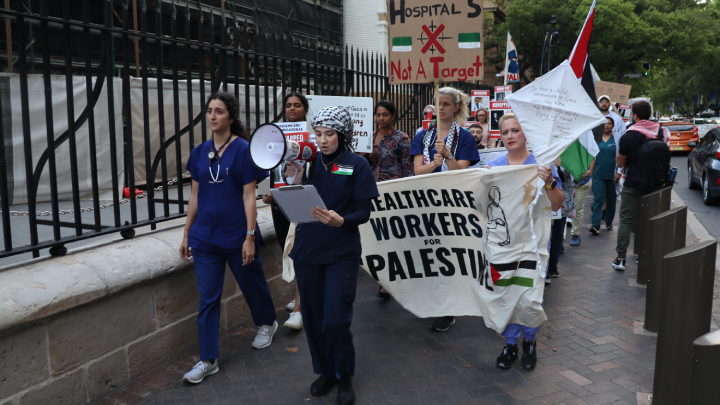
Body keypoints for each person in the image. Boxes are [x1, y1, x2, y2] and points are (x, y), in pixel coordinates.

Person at [179, 92, 278, 384]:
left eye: (218, 111)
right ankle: (208, 360)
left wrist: (249, 236)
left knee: (252, 284)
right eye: (209, 111)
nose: (212, 116)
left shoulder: (245, 150)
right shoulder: (199, 152)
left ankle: (267, 323)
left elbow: (250, 195)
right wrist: (186, 233)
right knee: (208, 298)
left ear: (231, 118)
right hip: (205, 238)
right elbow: (195, 196)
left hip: (237, 234)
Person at [286, 106, 379, 405]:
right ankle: (325, 372)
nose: (323, 140)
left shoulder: (356, 165)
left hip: (341, 253)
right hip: (308, 251)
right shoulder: (311, 163)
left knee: (335, 319)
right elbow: (302, 203)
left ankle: (345, 376)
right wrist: (296, 181)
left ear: (343, 134)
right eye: (318, 134)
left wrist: (343, 220)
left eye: (329, 134)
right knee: (313, 319)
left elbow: (364, 211)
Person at [485, 113, 563, 370]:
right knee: (505, 295)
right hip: (502, 247)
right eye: (505, 132)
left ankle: (529, 342)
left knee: (529, 299)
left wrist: (550, 181)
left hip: (533, 245)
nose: (509, 136)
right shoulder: (493, 167)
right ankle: (509, 345)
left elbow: (557, 205)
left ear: (525, 134)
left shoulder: (542, 166)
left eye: (515, 131)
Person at [410, 87, 480, 332]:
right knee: (429, 250)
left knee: (449, 252)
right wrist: (433, 164)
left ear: (456, 108)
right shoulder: (423, 134)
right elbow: (417, 171)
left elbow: (463, 171)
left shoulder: (465, 137)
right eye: (438, 103)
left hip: (453, 203)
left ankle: (448, 308)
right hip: (426, 200)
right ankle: (435, 300)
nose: (441, 108)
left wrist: (448, 155)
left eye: (446, 104)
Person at [261, 92, 309, 330]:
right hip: (279, 203)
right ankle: (303, 296)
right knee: (288, 249)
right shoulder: (274, 136)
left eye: (297, 105)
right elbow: (266, 166)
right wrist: (266, 192)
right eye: (289, 105)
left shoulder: (312, 136)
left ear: (305, 110)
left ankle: (300, 309)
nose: (292, 109)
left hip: (302, 201)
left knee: (299, 250)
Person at [360, 100, 414, 299]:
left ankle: (392, 281)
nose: (381, 118)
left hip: (394, 193)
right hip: (373, 192)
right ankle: (384, 278)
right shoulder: (369, 137)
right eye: (378, 115)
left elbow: (408, 167)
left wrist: (407, 191)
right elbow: (362, 164)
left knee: (393, 237)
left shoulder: (402, 138)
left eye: (385, 115)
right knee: (379, 236)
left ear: (393, 116)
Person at [612, 101, 671, 271]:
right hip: (657, 185)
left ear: (635, 116)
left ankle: (621, 258)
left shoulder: (629, 135)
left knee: (626, 220)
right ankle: (645, 257)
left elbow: (620, 161)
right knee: (650, 221)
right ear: (651, 114)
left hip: (633, 183)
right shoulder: (663, 132)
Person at [590, 117, 619, 234]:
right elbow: (592, 157)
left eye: (609, 123)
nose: (606, 125)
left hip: (613, 175)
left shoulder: (617, 138)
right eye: (604, 123)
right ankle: (595, 225)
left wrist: (619, 172)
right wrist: (590, 174)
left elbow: (621, 155)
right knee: (598, 199)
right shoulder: (595, 138)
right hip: (598, 175)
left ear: (613, 126)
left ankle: (608, 222)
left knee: (611, 200)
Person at [548, 157, 574, 280]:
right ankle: (545, 267)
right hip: (544, 200)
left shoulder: (569, 153)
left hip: (563, 200)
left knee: (557, 233)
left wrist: (557, 169)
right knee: (544, 233)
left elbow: (575, 179)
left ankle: (552, 267)